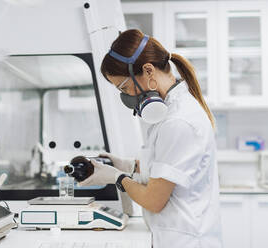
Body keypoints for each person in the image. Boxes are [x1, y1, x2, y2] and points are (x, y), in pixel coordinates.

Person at [78, 29, 223, 248]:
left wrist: (117, 177)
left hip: (183, 240)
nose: (127, 97)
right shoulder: (172, 113)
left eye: (125, 87)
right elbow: (164, 169)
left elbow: (154, 200)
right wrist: (127, 165)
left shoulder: (178, 122)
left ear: (148, 70)